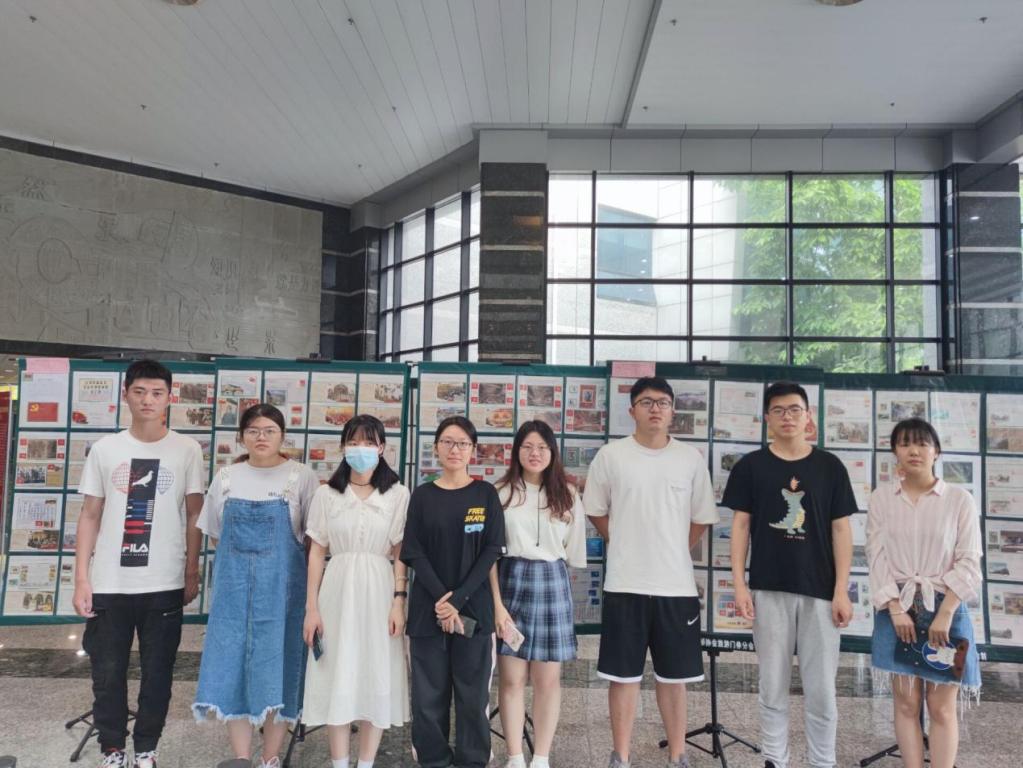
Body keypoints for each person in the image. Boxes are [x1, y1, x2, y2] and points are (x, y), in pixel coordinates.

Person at [73, 359, 206, 768]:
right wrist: (82, 579)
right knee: (107, 672)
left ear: (170, 397)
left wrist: (191, 570)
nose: (148, 400)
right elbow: (90, 515)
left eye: (157, 393)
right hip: (110, 582)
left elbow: (194, 516)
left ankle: (146, 747)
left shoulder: (187, 450)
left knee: (158, 673)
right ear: (126, 394)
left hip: (163, 581)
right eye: (140, 391)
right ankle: (112, 748)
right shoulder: (106, 449)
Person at [584, 376, 718, 768]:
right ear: (632, 411)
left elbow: (701, 517)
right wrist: (621, 540)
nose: (655, 408)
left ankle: (678, 755)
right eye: (646, 402)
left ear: (673, 410)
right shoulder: (612, 456)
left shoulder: (689, 459)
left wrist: (674, 548)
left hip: (676, 587)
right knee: (622, 676)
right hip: (625, 583)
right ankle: (620, 756)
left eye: (662, 402)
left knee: (674, 678)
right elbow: (595, 509)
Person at [723, 381, 856, 768]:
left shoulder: (830, 467)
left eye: (795, 409)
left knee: (822, 690)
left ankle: (823, 762)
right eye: (779, 410)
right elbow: (741, 527)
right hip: (768, 588)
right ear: (766, 418)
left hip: (821, 592)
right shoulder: (750, 467)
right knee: (772, 686)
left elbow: (841, 530)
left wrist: (842, 590)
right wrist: (739, 585)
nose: (787, 417)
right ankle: (774, 760)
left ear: (808, 415)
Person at [192, 404, 319, 768]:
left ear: (283, 436)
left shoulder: (301, 476)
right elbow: (216, 534)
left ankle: (270, 758)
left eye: (269, 430)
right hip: (232, 597)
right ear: (241, 437)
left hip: (283, 597)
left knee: (278, 669)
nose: (261, 437)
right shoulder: (226, 477)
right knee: (232, 668)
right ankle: (242, 759)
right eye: (253, 431)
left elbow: (312, 540)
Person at [866, 418, 982, 768]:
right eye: (904, 444)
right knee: (906, 704)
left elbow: (969, 561)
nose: (913, 450)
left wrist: (945, 613)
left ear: (936, 452)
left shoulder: (959, 500)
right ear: (895, 452)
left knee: (941, 707)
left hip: (948, 606)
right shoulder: (882, 499)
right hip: (896, 607)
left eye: (922, 443)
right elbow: (876, 556)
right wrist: (894, 608)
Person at [302, 415, 411, 768]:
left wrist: (398, 602)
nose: (360, 449)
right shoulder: (326, 494)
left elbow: (400, 553)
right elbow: (316, 553)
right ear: (343, 447)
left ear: (382, 448)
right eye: (353, 442)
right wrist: (311, 608)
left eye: (368, 442)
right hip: (337, 589)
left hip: (379, 589)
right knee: (336, 673)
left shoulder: (398, 494)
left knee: (376, 673)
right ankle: (339, 763)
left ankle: (365, 763)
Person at [400, 415, 506, 768]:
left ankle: (472, 760)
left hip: (474, 609)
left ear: (473, 450)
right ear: (436, 448)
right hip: (427, 610)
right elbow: (413, 551)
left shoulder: (485, 494)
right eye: (447, 441)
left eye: (462, 443)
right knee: (428, 696)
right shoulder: (422, 495)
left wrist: (457, 600)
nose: (454, 449)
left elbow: (492, 550)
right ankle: (433, 760)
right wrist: (443, 601)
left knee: (472, 696)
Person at [489, 420, 587, 768]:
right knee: (512, 679)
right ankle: (515, 756)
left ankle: (541, 756)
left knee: (547, 680)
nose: (535, 453)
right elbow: (490, 555)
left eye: (542, 447)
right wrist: (497, 606)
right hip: (510, 581)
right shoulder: (500, 492)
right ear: (516, 451)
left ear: (552, 452)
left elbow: (574, 553)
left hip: (552, 583)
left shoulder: (568, 494)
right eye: (528, 446)